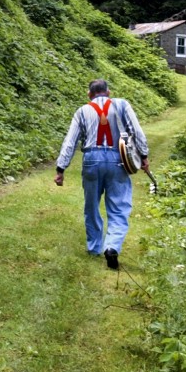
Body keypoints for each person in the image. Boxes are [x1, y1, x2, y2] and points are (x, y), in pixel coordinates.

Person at [54, 79, 149, 269]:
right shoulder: (122, 105)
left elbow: (70, 142)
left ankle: (95, 247)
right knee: (119, 206)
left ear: (89, 94)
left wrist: (60, 169)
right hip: (117, 160)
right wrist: (144, 156)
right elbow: (137, 132)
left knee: (91, 206)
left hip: (91, 159)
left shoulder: (81, 111)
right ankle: (112, 246)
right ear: (109, 92)